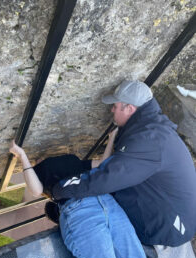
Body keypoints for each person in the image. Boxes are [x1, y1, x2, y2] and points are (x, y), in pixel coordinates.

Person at [9, 80, 163, 258]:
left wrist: (111, 139)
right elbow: (35, 190)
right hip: (80, 212)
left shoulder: (73, 161)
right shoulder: (41, 171)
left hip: (106, 202)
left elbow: (102, 165)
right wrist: (22, 156)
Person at [52, 80, 196, 248]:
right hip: (176, 210)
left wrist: (59, 190)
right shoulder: (152, 128)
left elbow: (106, 179)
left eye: (116, 105)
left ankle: (141, 245)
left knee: (100, 197)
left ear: (130, 109)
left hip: (169, 229)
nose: (112, 109)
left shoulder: (148, 142)